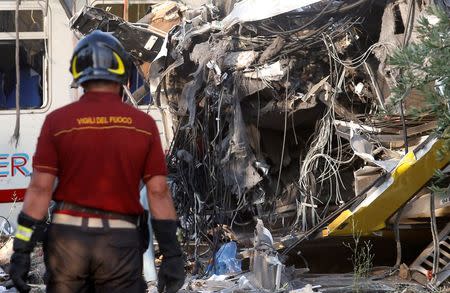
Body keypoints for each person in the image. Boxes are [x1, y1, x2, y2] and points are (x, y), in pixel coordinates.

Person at [9, 30, 185, 293]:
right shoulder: (143, 126)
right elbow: (158, 193)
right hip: (119, 246)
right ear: (122, 72)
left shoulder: (58, 123)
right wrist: (172, 256)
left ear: (79, 74)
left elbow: (39, 190)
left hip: (67, 246)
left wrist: (21, 250)